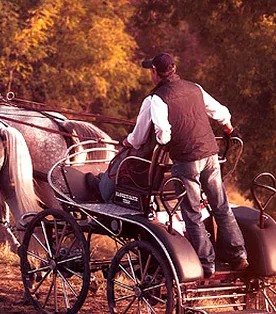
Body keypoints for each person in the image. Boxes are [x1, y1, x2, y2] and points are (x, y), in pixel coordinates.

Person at [99, 53, 248, 278]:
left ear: (155, 73)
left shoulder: (155, 99)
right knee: (221, 206)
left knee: (192, 212)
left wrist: (128, 141)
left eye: (151, 71)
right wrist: (228, 128)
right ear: (175, 69)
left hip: (187, 161)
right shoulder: (195, 88)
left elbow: (153, 135)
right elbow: (221, 112)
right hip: (210, 156)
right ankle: (238, 256)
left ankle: (206, 264)